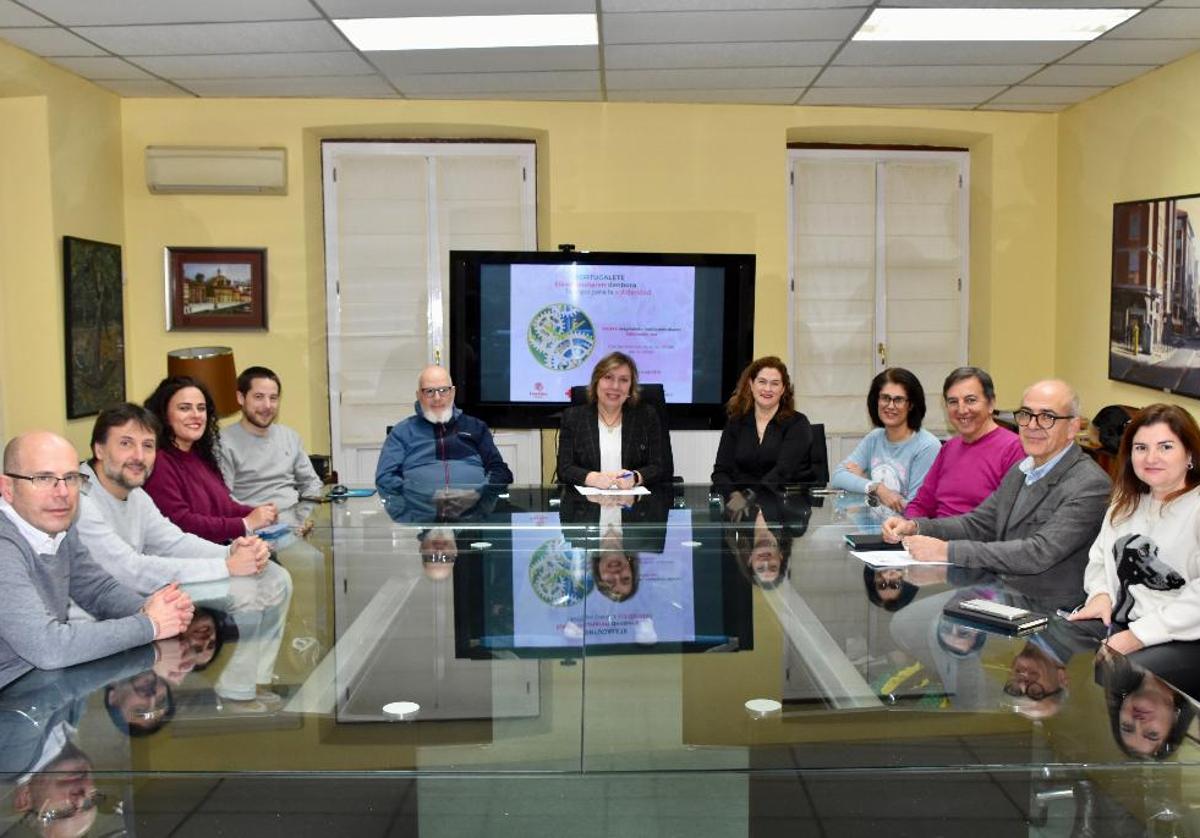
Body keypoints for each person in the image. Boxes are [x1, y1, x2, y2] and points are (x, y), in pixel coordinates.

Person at [882, 380, 1111, 609]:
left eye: (1047, 417)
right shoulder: (1022, 470)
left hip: (1051, 614)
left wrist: (946, 551)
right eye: (1026, 414)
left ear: (1072, 427)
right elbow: (978, 524)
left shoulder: (1090, 484)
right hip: (1002, 595)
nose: (1032, 425)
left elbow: (1037, 553)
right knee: (908, 623)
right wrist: (916, 527)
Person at [0, 432, 194, 689]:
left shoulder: (58, 526)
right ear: (7, 488)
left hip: (43, 692)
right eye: (44, 478)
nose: (63, 493)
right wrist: (149, 624)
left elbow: (98, 590)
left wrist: (155, 608)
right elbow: (49, 647)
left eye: (71, 478)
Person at [1069, 404, 1200, 692]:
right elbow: (1101, 557)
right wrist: (1100, 595)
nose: (1151, 458)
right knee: (1059, 642)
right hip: (1122, 620)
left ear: (1189, 453)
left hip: (1182, 636)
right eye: (1141, 448)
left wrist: (1139, 635)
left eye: (1165, 447)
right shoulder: (1125, 500)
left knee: (1116, 670)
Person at [76, 404, 270, 594]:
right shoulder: (77, 499)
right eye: (126, 444)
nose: (139, 456)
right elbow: (130, 570)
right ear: (99, 450)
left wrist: (229, 552)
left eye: (148, 445)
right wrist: (225, 567)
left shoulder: (136, 495)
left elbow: (173, 543)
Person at [142, 377, 278, 542]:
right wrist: (245, 523)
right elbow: (179, 524)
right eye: (185, 408)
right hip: (189, 561)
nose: (196, 415)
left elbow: (224, 507)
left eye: (201, 408)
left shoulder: (201, 456)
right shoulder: (160, 462)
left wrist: (259, 514)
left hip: (220, 552)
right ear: (164, 414)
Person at [903, 367, 1024, 519]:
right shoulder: (948, 449)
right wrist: (908, 525)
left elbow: (1009, 521)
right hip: (935, 537)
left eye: (970, 400)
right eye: (953, 402)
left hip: (975, 541)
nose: (961, 410)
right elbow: (921, 504)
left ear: (991, 404)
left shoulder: (1014, 449)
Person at [375, 365, 513, 494]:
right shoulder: (402, 432)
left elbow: (500, 471)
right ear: (419, 396)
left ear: (452, 393)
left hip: (473, 512)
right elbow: (385, 478)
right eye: (429, 391)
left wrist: (476, 494)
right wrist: (425, 496)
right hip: (420, 514)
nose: (437, 398)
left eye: (443, 390)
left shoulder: (476, 427)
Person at [219, 366, 325, 521]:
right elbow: (223, 498)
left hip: (295, 524)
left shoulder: (290, 437)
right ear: (241, 398)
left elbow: (311, 483)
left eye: (273, 398)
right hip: (253, 529)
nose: (267, 405)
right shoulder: (223, 443)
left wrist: (305, 518)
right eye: (259, 397)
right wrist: (255, 520)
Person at [831, 367, 941, 512]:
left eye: (899, 400)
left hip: (904, 532)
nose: (890, 406)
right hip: (869, 527)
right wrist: (875, 487)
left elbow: (915, 509)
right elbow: (838, 477)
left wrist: (862, 481)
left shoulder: (927, 446)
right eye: (885, 398)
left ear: (911, 405)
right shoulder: (874, 438)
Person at [711, 356, 816, 502]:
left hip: (784, 508)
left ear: (783, 389)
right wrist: (733, 496)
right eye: (762, 382)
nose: (768, 389)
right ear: (751, 384)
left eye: (775, 384)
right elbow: (721, 472)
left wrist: (747, 497)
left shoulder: (797, 423)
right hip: (740, 509)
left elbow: (782, 473)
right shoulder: (736, 422)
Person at [557, 352, 666, 489]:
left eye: (624, 380)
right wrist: (592, 478)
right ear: (596, 382)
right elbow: (564, 468)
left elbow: (658, 467)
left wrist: (635, 477)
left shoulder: (646, 416)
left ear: (631, 387)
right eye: (608, 377)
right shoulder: (573, 417)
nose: (615, 386)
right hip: (586, 507)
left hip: (634, 506)